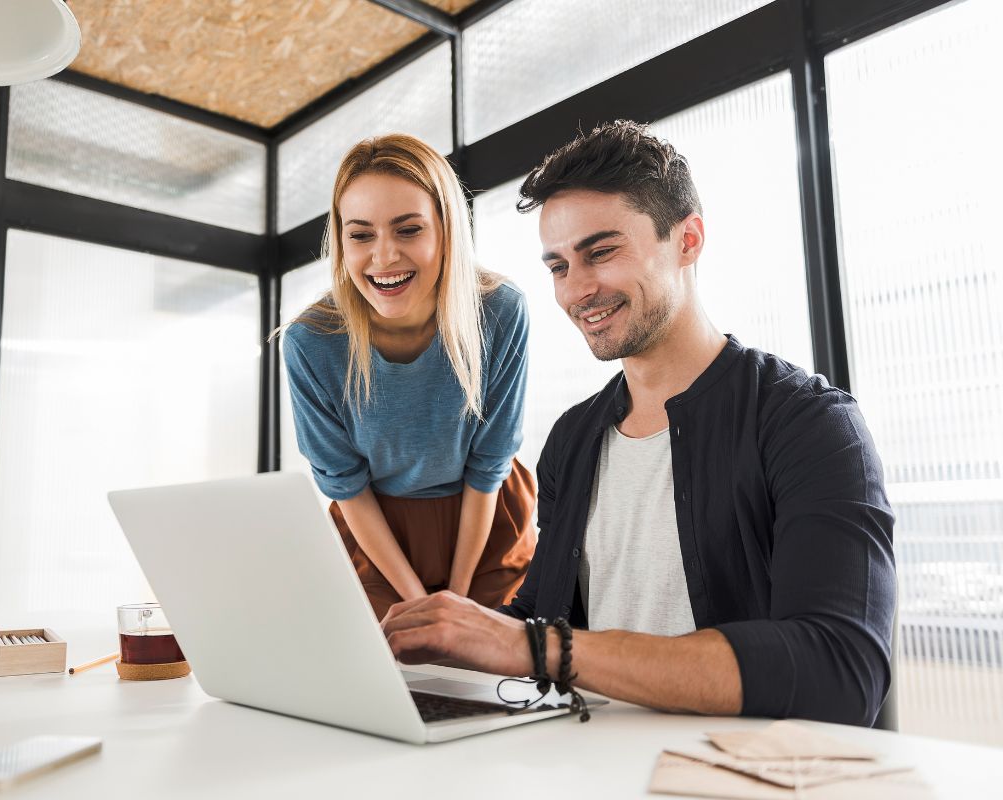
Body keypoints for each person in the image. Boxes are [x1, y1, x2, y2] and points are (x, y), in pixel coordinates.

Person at [381, 121, 896, 726]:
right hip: (589, 766)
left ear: (688, 240)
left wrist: (534, 646)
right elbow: (541, 619)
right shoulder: (574, 438)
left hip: (733, 776)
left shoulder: (808, 424)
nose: (578, 289)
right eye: (557, 266)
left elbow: (838, 670)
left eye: (601, 252)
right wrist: (437, 645)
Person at [281, 134, 535, 621]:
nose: (383, 257)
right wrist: (420, 602)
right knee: (391, 672)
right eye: (360, 235)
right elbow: (346, 485)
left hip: (485, 519)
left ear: (446, 230)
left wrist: (456, 601)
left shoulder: (501, 311)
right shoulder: (310, 342)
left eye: (408, 230)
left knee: (493, 666)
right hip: (377, 533)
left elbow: (489, 465)